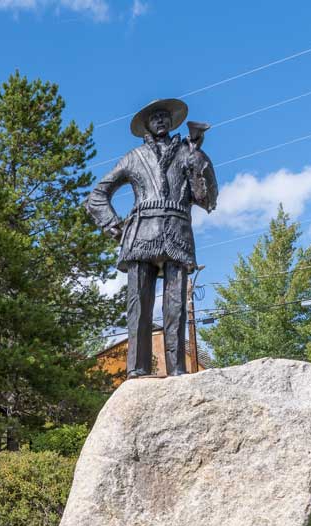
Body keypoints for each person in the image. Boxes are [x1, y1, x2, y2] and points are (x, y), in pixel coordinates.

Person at [86, 98, 217, 378]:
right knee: (138, 304)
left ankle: (178, 369)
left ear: (172, 122)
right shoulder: (134, 157)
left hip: (178, 230)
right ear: (147, 124)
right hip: (142, 233)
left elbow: (207, 199)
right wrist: (112, 224)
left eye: (164, 116)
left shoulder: (188, 153)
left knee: (177, 306)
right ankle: (137, 368)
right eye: (154, 117)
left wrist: (198, 162)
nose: (160, 121)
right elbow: (97, 195)